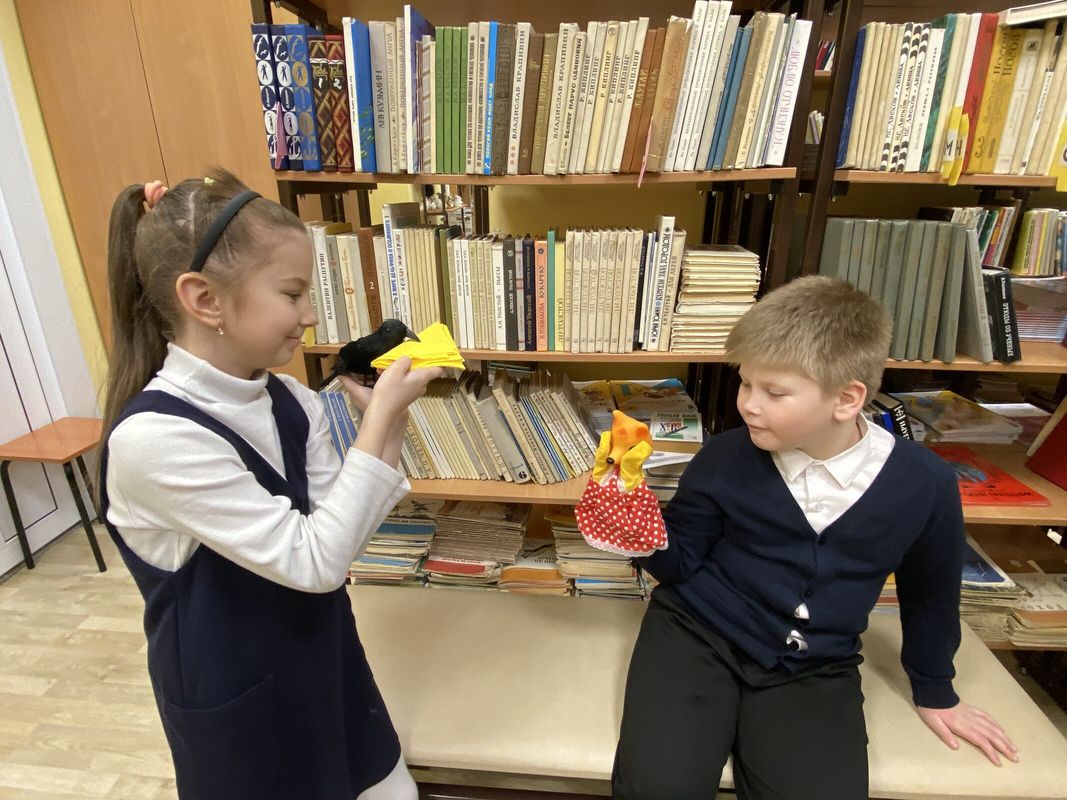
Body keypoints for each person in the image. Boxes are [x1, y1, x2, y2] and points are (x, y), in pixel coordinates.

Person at [100, 169, 441, 800]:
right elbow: (313, 562)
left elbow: (340, 537)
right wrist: (379, 425)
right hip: (240, 710)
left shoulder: (290, 399)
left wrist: (386, 426)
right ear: (204, 299)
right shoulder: (153, 441)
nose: (309, 316)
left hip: (326, 667)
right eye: (292, 294)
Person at [612, 275, 1018, 800]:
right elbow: (682, 561)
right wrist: (642, 537)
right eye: (745, 383)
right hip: (694, 635)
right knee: (658, 787)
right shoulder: (724, 456)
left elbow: (932, 594)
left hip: (815, 664)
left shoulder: (926, 484)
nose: (748, 404)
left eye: (774, 392)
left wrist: (935, 689)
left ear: (846, 399)